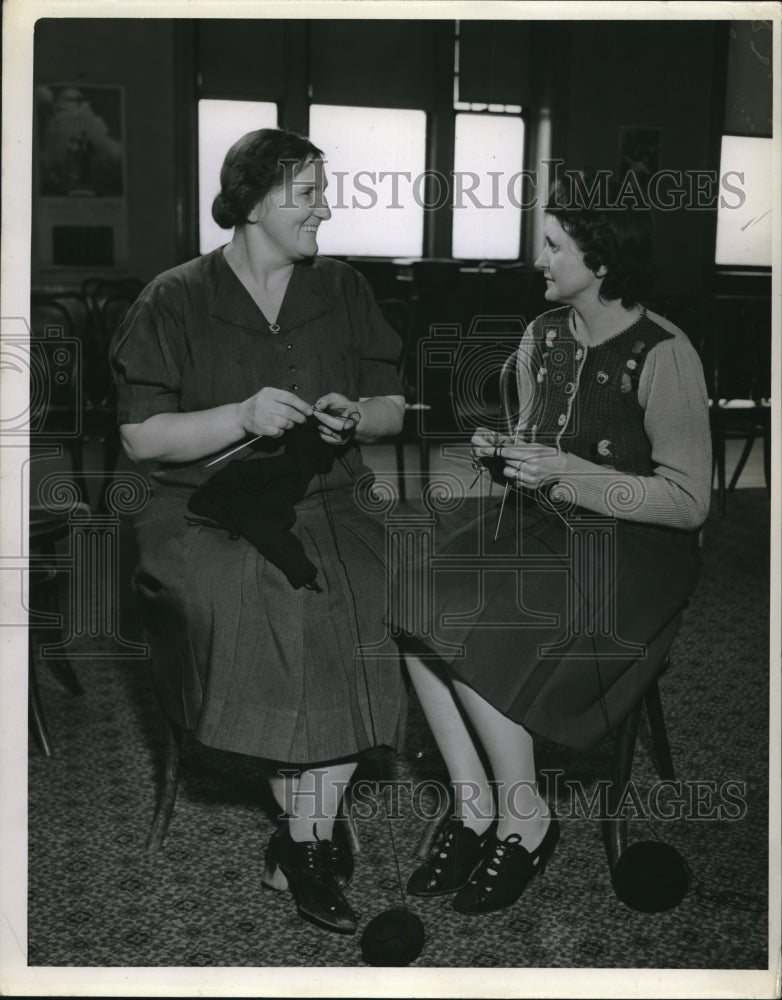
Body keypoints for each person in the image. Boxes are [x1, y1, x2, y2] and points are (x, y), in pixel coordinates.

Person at [110, 128, 406, 935]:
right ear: (251, 203)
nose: (325, 209)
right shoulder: (174, 298)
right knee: (271, 601)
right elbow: (142, 438)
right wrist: (238, 414)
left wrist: (359, 415)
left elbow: (391, 401)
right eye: (308, 194)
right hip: (200, 505)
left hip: (327, 492)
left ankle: (303, 834)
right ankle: (312, 835)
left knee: (380, 593)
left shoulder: (342, 289)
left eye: (322, 191)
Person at [398, 172, 712, 914]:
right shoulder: (540, 335)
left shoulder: (664, 352)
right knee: (414, 605)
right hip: (547, 520)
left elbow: (690, 502)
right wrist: (506, 453)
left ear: (599, 264)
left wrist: (569, 473)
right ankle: (476, 807)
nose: (538, 257)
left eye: (552, 244)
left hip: (637, 548)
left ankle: (526, 818)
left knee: (484, 624)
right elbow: (539, 444)